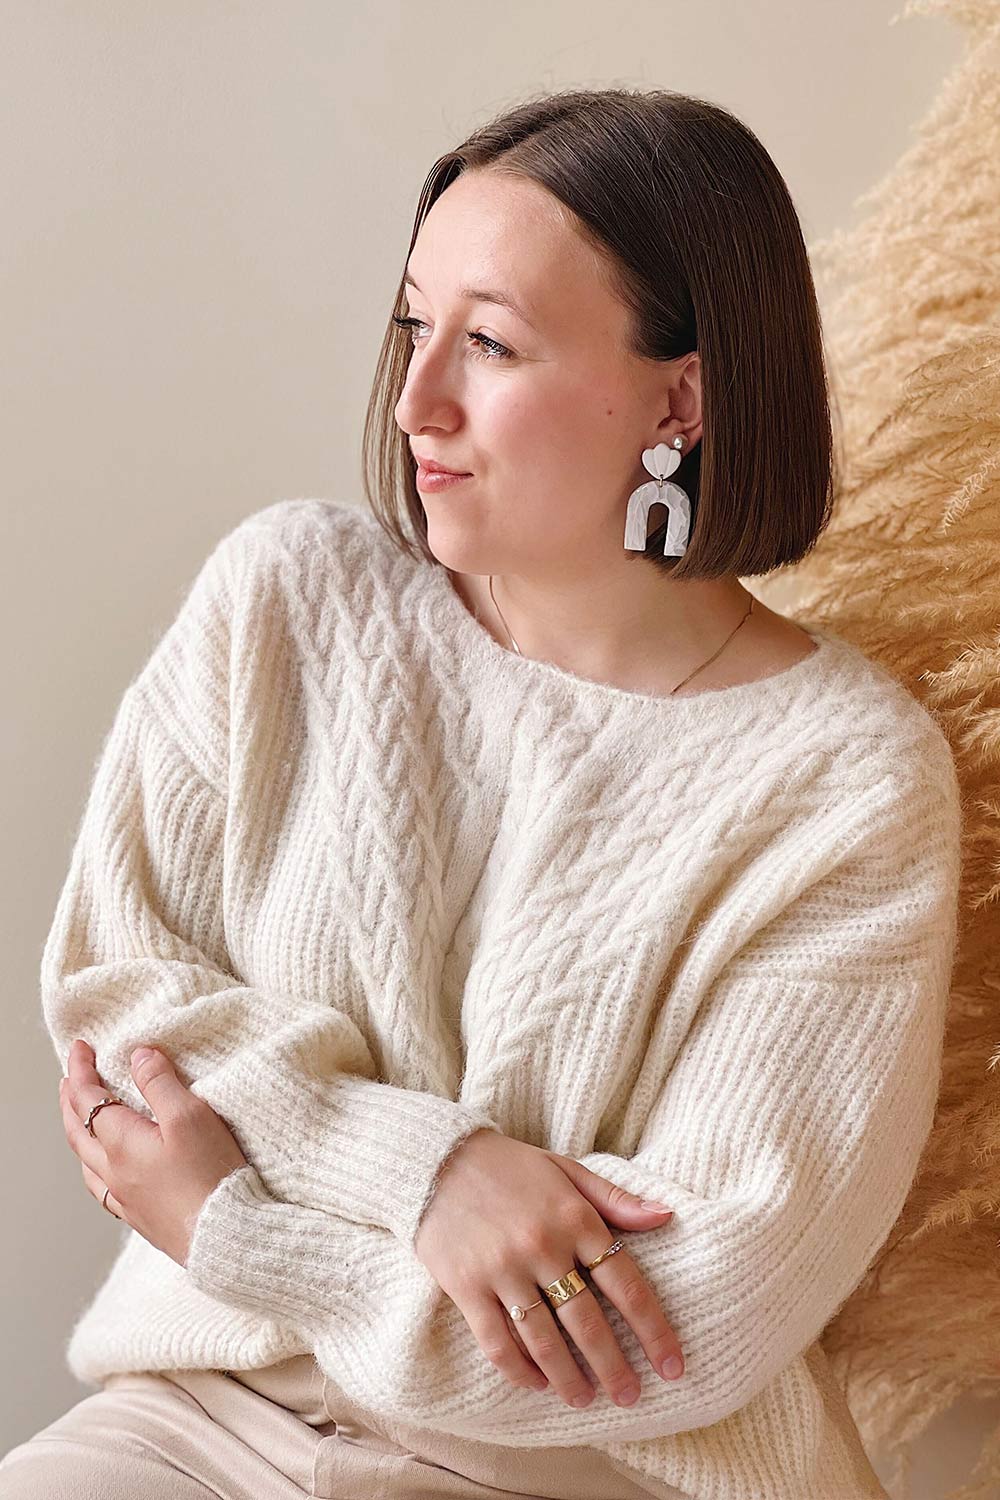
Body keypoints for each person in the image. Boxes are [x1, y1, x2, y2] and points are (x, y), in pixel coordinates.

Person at [2, 87, 962, 1500]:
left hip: (578, 1477)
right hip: (199, 1427)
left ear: (680, 401)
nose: (416, 401)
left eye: (493, 343)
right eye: (413, 323)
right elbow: (122, 1004)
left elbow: (695, 1317)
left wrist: (242, 1232)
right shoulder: (287, 600)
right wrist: (431, 1173)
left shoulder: (845, 782)